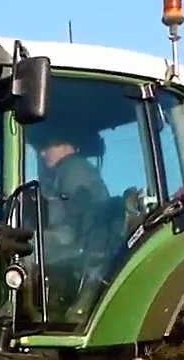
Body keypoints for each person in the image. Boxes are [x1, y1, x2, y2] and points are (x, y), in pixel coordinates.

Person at [26, 123, 115, 320]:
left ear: (67, 146)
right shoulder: (68, 171)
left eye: (47, 146)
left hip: (79, 243)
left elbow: (78, 221)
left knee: (21, 248)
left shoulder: (74, 169)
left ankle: (26, 313)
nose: (42, 154)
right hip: (78, 239)